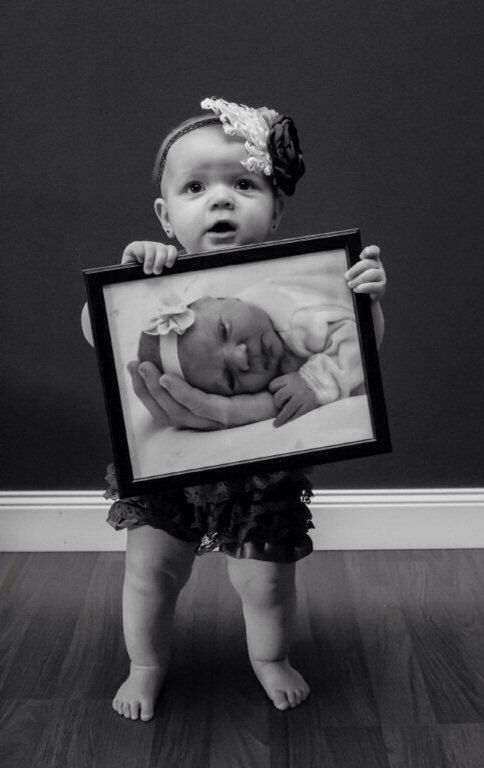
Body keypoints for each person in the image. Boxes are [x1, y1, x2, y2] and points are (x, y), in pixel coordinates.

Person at [82, 97, 386, 719]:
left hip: (259, 472)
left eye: (243, 183)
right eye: (196, 186)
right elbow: (98, 331)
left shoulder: (288, 297)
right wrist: (127, 279)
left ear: (274, 210)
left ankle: (270, 657)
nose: (247, 354)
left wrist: (364, 306)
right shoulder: (156, 286)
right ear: (167, 216)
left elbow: (360, 350)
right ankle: (146, 664)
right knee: (152, 571)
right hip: (170, 479)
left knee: (266, 579)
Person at [137, 256, 366, 427]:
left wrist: (315, 382)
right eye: (229, 378)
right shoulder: (254, 322)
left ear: (225, 298)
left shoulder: (297, 320)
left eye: (224, 331)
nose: (241, 357)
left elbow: (358, 334)